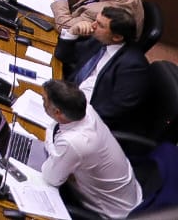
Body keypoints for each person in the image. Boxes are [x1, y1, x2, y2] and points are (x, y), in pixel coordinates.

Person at [37, 79, 141, 220]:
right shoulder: (87, 110)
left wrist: (49, 143)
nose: (42, 102)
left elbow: (50, 178)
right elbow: (53, 127)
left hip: (111, 213)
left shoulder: (74, 143)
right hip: (127, 195)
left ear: (57, 112)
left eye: (44, 100)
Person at [74, 6, 152, 136]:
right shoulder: (102, 40)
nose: (92, 26)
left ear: (117, 37)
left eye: (100, 25)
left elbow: (115, 111)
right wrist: (71, 33)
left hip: (88, 121)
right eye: (95, 20)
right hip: (71, 96)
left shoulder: (133, 67)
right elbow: (66, 56)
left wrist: (72, 113)